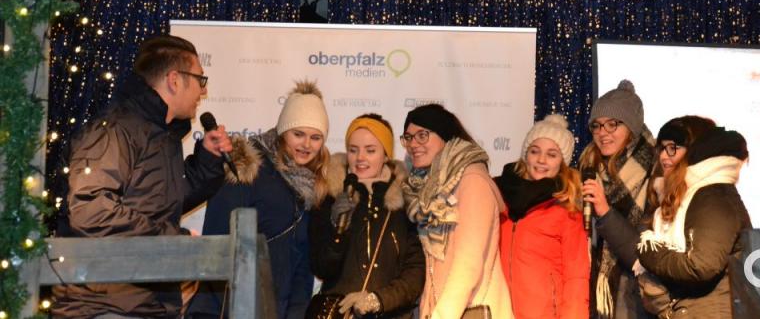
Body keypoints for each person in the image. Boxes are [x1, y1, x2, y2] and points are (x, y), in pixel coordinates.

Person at [53, 34, 232, 318]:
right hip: (103, 306)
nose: (202, 90)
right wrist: (173, 241)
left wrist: (207, 162)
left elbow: (160, 204)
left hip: (142, 303)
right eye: (200, 79)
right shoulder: (114, 129)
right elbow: (91, 210)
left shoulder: (161, 135)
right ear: (174, 80)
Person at [186, 80, 331, 319]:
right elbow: (217, 239)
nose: (307, 144)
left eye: (316, 137)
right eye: (298, 134)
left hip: (277, 308)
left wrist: (296, 312)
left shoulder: (315, 185)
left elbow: (302, 262)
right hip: (232, 305)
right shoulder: (246, 166)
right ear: (283, 131)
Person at [400, 104, 514, 319]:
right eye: (408, 137)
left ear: (445, 137)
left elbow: (468, 263)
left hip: (471, 309)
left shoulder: (473, 181)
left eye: (422, 135)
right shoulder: (428, 192)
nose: (413, 144)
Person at [307, 113, 425, 319]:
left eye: (370, 150)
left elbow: (415, 273)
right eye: (353, 150)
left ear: (386, 155)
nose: (360, 158)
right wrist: (337, 228)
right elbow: (321, 267)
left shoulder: (407, 202)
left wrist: (377, 300)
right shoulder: (330, 196)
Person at [634, 117, 752, 318]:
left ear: (695, 151)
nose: (664, 156)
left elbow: (701, 266)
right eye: (662, 148)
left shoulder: (714, 196)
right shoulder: (682, 197)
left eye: (673, 148)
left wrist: (649, 252)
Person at [495, 114, 589, 319]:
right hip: (498, 310)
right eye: (534, 151)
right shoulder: (499, 197)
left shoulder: (567, 208)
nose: (541, 160)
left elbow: (577, 277)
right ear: (525, 155)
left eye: (552, 154)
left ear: (562, 162)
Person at [579, 79, 656, 319]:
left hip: (638, 299)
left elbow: (646, 255)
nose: (602, 133)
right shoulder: (587, 168)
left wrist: (604, 209)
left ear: (631, 127)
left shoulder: (655, 174)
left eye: (612, 124)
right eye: (597, 126)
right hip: (591, 291)